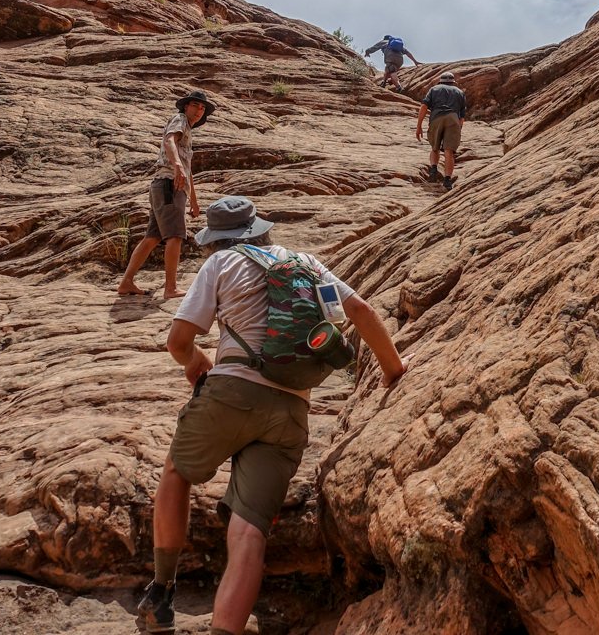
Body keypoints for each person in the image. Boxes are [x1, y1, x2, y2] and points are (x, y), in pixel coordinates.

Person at [137, 196, 409, 635]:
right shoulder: (304, 262)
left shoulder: (220, 264)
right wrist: (394, 371)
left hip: (231, 393)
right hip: (291, 410)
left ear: (216, 241)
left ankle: (162, 595)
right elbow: (360, 312)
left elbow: (178, 341)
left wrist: (197, 363)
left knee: (177, 471)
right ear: (260, 229)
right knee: (249, 534)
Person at [117, 90, 213, 300]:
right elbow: (169, 140)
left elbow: (188, 170)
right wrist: (177, 165)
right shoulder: (179, 120)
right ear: (185, 107)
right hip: (169, 184)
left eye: (202, 108)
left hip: (166, 185)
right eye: (196, 105)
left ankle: (126, 282)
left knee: (152, 237)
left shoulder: (187, 130)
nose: (199, 110)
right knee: (176, 236)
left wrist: (194, 201)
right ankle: (170, 288)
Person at [416, 71, 468, 190]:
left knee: (435, 147)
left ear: (441, 81)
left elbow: (424, 106)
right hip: (453, 118)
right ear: (453, 82)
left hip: (437, 117)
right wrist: (458, 129)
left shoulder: (434, 89)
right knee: (449, 151)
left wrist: (419, 126)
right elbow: (462, 116)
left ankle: (433, 169)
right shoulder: (460, 92)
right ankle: (447, 180)